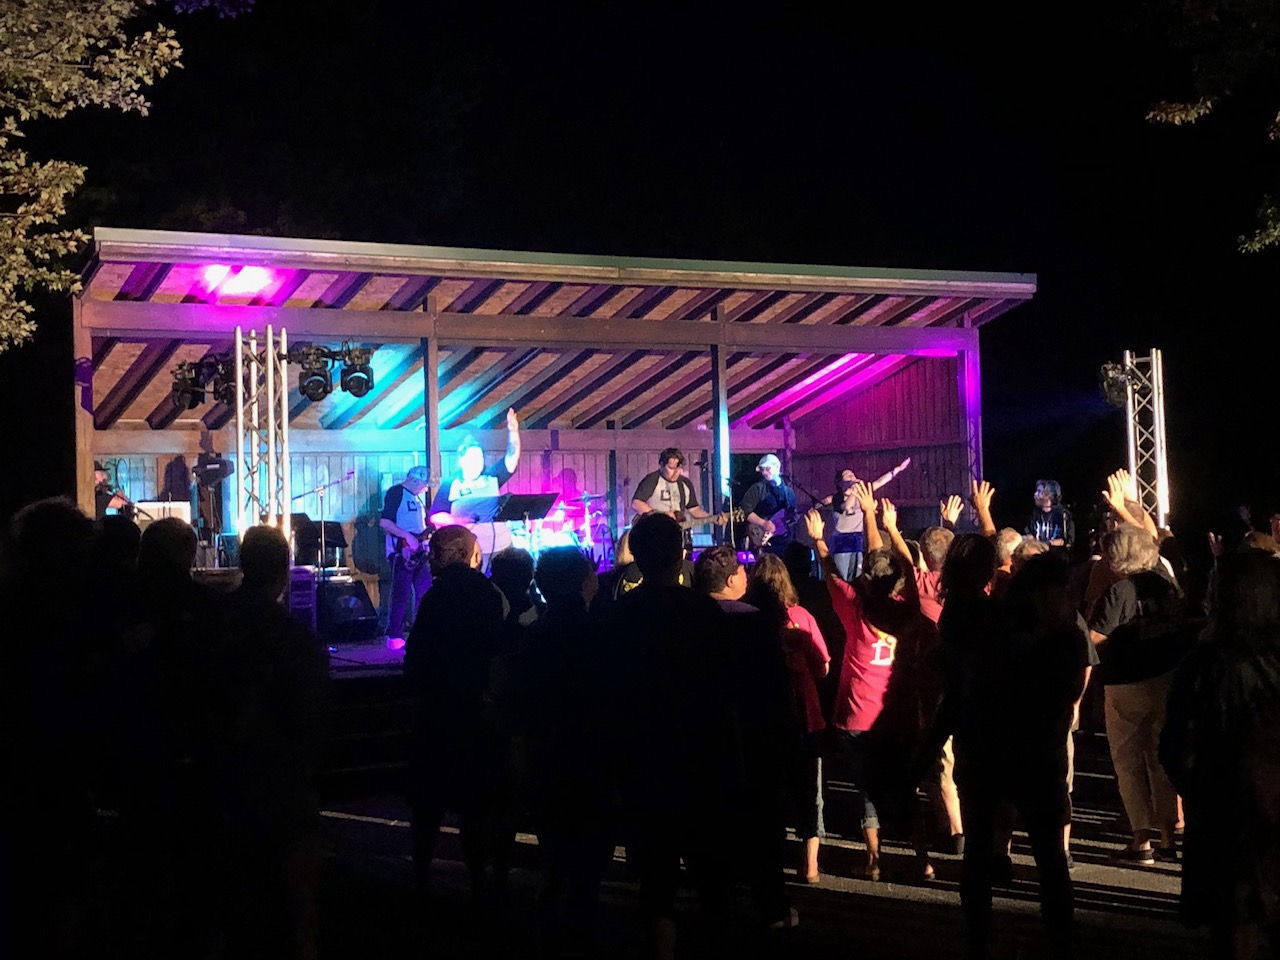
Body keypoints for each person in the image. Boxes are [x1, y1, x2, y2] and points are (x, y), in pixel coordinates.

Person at [1161, 552, 1280, 960]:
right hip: (1264, 810)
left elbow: (1175, 746)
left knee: (1235, 924)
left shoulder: (1204, 665)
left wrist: (1201, 791)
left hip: (1225, 813)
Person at [404, 525, 514, 902]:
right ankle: (481, 882)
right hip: (475, 710)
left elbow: (417, 654)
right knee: (475, 807)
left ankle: (420, 878)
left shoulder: (436, 597)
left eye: (435, 551)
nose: (430, 558)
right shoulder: (486, 593)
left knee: (428, 806)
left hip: (438, 712)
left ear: (449, 554)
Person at [1088, 523, 1187, 864]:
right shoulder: (1165, 584)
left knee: (1128, 762)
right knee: (1162, 759)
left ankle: (1141, 840)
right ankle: (1168, 837)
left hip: (1125, 682)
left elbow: (1095, 637)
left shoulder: (1120, 591)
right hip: (1166, 678)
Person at [745, 553, 830, 885]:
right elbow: (823, 664)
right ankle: (810, 865)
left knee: (771, 789)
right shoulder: (801, 617)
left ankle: (771, 860)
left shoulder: (750, 620)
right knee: (809, 790)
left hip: (763, 714)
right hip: (805, 713)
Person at [430, 407, 522, 566]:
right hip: (470, 551)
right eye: (472, 457)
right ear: (462, 460)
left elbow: (512, 457)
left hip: (501, 545)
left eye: (480, 457)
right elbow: (435, 515)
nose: (477, 462)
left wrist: (513, 431)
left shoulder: (492, 477)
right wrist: (458, 520)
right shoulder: (451, 484)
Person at [821, 458, 911, 581]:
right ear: (841, 483)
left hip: (858, 537)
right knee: (841, 576)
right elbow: (847, 507)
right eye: (848, 475)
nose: (852, 476)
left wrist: (897, 470)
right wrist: (854, 490)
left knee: (858, 574)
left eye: (853, 474)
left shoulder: (861, 493)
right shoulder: (836, 498)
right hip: (842, 540)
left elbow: (880, 482)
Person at [379, 464, 433, 649]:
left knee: (424, 592)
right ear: (414, 480)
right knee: (401, 594)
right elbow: (385, 522)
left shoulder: (417, 499)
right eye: (424, 484)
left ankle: (421, 632)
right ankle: (394, 634)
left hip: (419, 551)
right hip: (401, 552)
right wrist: (406, 536)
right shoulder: (396, 493)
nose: (426, 488)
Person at [630, 447, 726, 547]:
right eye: (671, 468)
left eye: (679, 468)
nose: (676, 472)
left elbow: (694, 509)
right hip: (655, 533)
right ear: (661, 465)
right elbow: (636, 503)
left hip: (676, 534)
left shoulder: (685, 483)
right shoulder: (652, 479)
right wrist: (661, 516)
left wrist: (712, 518)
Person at [741, 454, 798, 555]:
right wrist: (764, 523)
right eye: (762, 469)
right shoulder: (758, 488)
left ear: (777, 467)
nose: (764, 472)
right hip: (762, 541)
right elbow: (745, 510)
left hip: (784, 542)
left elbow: (792, 517)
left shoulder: (789, 493)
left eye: (767, 469)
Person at [1026, 479, 1074, 550]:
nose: (1035, 494)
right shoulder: (1034, 513)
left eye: (1039, 491)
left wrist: (1049, 544)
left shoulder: (1063, 515)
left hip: (1056, 555)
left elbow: (1069, 541)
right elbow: (1029, 533)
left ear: (1049, 495)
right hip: (1037, 553)